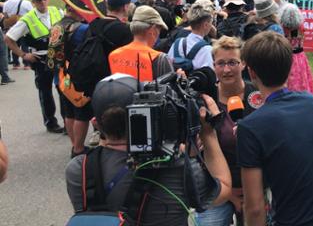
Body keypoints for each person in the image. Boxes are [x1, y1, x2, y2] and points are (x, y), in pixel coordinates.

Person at [65, 75, 231, 224]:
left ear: (95, 123)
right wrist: (208, 133)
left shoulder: (78, 169)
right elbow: (223, 189)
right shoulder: (179, 168)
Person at [238, 31, 313, 226]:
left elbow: (255, 208)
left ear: (251, 72)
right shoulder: (311, 103)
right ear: (290, 66)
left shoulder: (250, 127)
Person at [197, 35, 259, 226]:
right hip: (218, 188)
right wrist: (229, 195)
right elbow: (198, 157)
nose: (226, 69)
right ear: (213, 65)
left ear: (243, 64)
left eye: (232, 62)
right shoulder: (206, 101)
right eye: (220, 63)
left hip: (257, 187)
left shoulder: (257, 96)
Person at [4, 0, 65, 133]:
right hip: (41, 59)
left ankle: (68, 121)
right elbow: (8, 39)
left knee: (64, 90)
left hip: (58, 56)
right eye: (38, 0)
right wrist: (24, 55)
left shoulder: (57, 11)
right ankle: (51, 123)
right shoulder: (27, 19)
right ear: (33, 2)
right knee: (45, 92)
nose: (42, 2)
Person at [48, 5, 91, 156]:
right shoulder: (82, 29)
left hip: (60, 77)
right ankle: (79, 148)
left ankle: (74, 145)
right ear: (75, 9)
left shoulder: (56, 26)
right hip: (77, 76)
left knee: (69, 113)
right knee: (81, 113)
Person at [108, 6, 173, 82]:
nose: (158, 34)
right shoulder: (160, 59)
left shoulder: (114, 55)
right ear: (152, 30)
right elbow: (170, 91)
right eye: (159, 29)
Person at [171, 0, 215, 71]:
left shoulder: (177, 43)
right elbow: (211, 76)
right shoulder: (207, 49)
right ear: (205, 25)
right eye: (211, 22)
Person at [281, 4, 313, 95]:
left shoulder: (282, 28)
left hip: (287, 55)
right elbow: (302, 39)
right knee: (302, 77)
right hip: (300, 56)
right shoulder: (300, 27)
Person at [3, 0, 32, 69]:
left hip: (12, 27)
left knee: (14, 44)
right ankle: (26, 64)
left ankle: (16, 64)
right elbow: (31, 14)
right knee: (24, 45)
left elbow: (6, 16)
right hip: (24, 27)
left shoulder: (6, 3)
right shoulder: (26, 3)